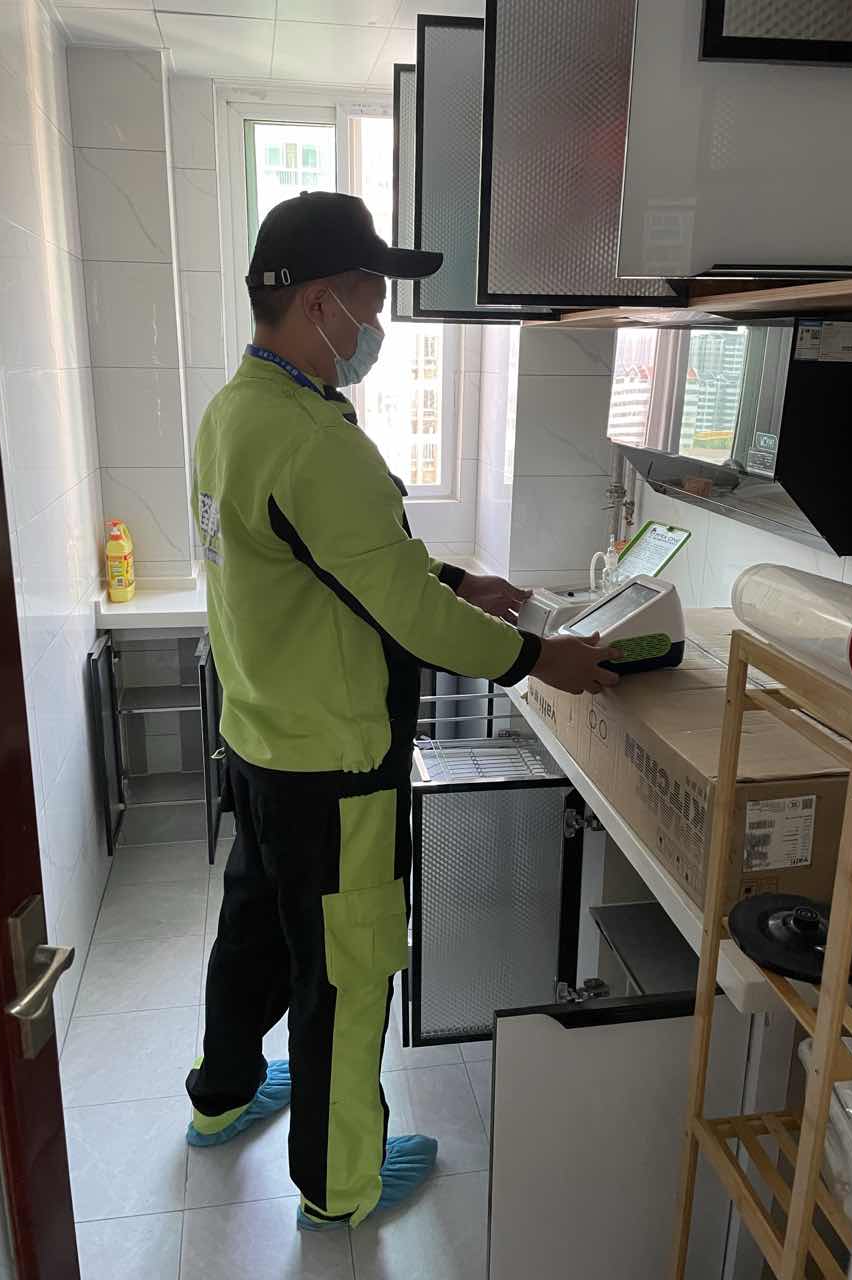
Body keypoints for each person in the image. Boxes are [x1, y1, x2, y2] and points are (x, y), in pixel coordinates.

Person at [185, 190, 618, 1232]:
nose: (378, 321)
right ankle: (341, 1185)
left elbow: (340, 559)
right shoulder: (313, 438)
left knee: (254, 931)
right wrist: (541, 658)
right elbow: (408, 617)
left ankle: (222, 1094)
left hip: (258, 740)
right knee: (347, 964)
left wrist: (458, 577)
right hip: (333, 768)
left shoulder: (236, 412)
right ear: (322, 300)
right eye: (372, 297)